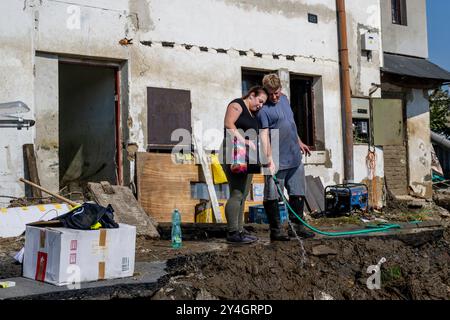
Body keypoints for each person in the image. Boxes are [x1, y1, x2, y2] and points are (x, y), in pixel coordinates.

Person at [258, 74, 315, 241]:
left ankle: (297, 227)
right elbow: (264, 136)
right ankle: (276, 230)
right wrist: (269, 159)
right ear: (265, 91)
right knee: (272, 195)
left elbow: (290, 123)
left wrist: (299, 142)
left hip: (294, 155)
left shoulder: (284, 99)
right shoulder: (263, 110)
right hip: (275, 159)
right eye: (271, 94)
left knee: (297, 192)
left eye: (277, 92)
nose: (275, 97)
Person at [221, 86, 268, 244]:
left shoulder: (252, 114)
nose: (260, 105)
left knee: (243, 193)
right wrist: (244, 140)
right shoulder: (236, 105)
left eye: (263, 103)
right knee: (236, 193)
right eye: (260, 101)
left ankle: (240, 230)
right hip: (234, 154)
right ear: (252, 95)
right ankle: (232, 232)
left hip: (248, 156)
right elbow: (229, 124)